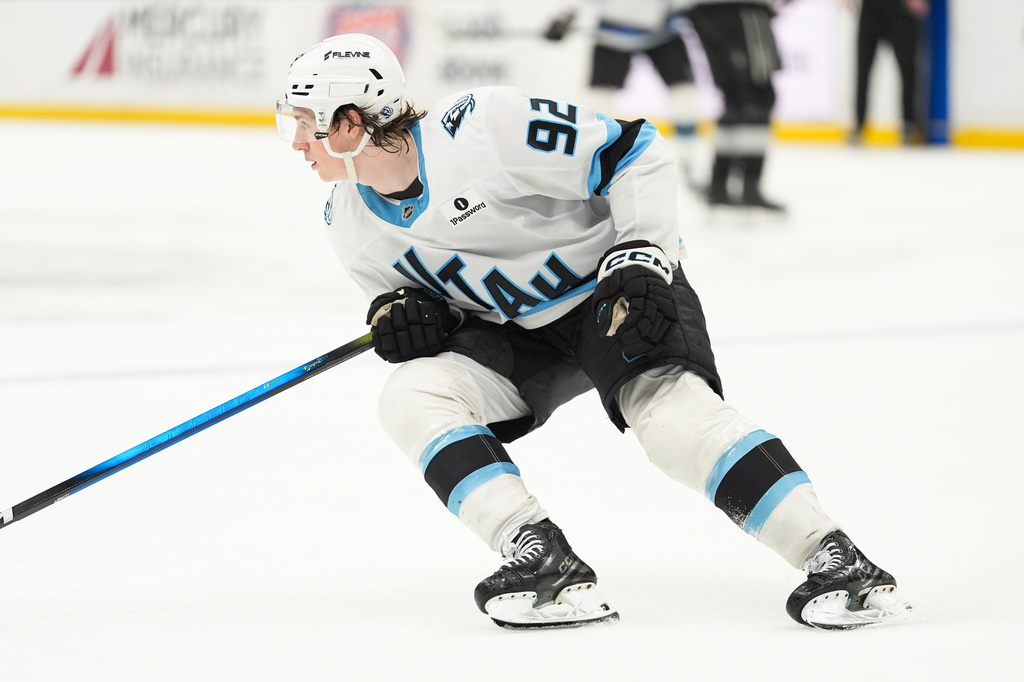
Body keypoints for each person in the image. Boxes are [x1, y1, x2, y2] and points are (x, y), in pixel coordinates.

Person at [275, 32, 912, 630]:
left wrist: (642, 251)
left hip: (614, 292)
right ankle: (539, 556)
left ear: (350, 123)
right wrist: (410, 318)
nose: (296, 143)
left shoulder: (483, 128)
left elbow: (636, 152)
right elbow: (411, 305)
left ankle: (837, 560)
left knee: (671, 421)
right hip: (519, 337)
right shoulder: (347, 222)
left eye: (304, 124)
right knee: (411, 395)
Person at [543, 1, 699, 178]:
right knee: (598, 99)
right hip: (614, 34)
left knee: (685, 93)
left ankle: (688, 162)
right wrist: (564, 16)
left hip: (663, 31)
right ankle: (590, 160)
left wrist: (686, 11)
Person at [682, 1, 788, 210]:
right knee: (757, 97)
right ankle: (746, 186)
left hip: (712, 13)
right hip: (740, 11)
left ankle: (720, 184)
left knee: (737, 98)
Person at [850, 0, 931, 145]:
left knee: (908, 68)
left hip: (901, 8)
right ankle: (859, 124)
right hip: (871, 7)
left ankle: (909, 124)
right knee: (863, 66)